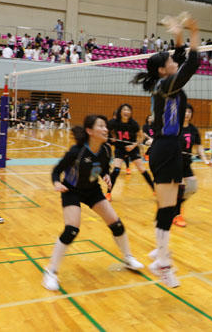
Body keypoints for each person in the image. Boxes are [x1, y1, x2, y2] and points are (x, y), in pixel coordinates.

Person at [132, 13, 200, 288]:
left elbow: (181, 57)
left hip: (170, 147)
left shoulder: (166, 82)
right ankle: (162, 263)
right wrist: (194, 32)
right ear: (163, 70)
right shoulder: (165, 85)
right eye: (169, 62)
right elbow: (191, 64)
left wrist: (178, 34)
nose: (174, 62)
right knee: (167, 208)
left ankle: (160, 250)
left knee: (170, 205)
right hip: (165, 148)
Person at [42, 115, 144, 291]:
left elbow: (103, 167)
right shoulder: (77, 151)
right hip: (71, 190)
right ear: (90, 131)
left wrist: (105, 175)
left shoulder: (106, 150)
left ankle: (128, 258)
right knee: (71, 229)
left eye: (106, 126)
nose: (106, 129)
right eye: (101, 126)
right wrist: (56, 182)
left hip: (92, 190)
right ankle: (51, 271)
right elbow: (56, 171)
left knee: (117, 224)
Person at [173, 104, 212, 227]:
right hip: (174, 162)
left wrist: (205, 160)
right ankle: (176, 215)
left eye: (189, 112)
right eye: (185, 111)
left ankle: (176, 206)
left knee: (192, 187)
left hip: (186, 163)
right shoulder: (174, 128)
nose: (187, 114)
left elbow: (199, 146)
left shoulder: (193, 129)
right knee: (181, 186)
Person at [106, 103, 155, 201]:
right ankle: (108, 193)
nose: (126, 112)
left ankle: (154, 190)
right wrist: (112, 137)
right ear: (120, 111)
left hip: (132, 149)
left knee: (142, 170)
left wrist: (133, 146)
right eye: (124, 109)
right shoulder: (114, 122)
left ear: (130, 112)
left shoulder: (133, 123)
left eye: (128, 110)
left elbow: (141, 137)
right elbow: (107, 131)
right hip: (120, 148)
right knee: (116, 170)